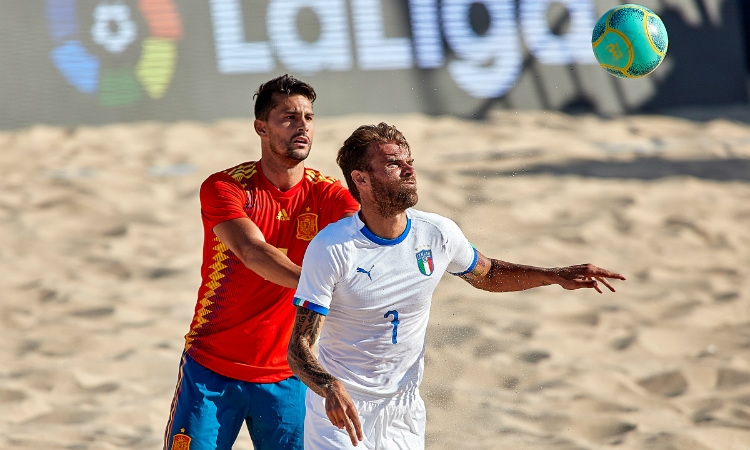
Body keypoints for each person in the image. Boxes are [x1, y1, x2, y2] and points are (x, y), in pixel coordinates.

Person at [287, 122, 626, 449]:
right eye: (393, 164)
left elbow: (488, 274)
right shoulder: (332, 248)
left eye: (410, 162)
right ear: (360, 179)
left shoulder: (437, 233)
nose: (409, 171)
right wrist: (328, 387)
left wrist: (552, 275)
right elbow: (300, 344)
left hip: (404, 411)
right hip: (340, 409)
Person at [163, 75, 360, 450]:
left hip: (287, 374)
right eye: (288, 117)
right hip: (212, 369)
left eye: (309, 117)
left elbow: (370, 241)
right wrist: (317, 286)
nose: (302, 125)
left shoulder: (329, 194)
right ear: (261, 127)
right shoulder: (225, 187)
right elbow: (253, 252)